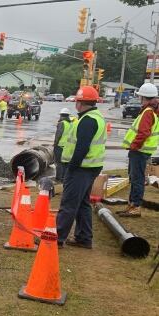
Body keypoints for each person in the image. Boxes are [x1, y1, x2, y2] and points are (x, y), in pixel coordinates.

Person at [56, 86, 107, 249]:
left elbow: (82, 147)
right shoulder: (95, 117)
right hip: (91, 167)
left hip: (81, 168)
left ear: (80, 103)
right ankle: (84, 238)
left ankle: (57, 237)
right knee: (83, 203)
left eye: (77, 101)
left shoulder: (87, 120)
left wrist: (72, 167)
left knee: (69, 203)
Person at [118, 83, 159, 218]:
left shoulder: (147, 113)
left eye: (140, 97)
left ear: (144, 98)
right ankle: (132, 205)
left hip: (139, 151)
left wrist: (134, 146)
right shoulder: (151, 111)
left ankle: (135, 206)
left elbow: (143, 133)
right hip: (141, 151)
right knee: (135, 178)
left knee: (137, 179)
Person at [53, 108, 74, 182]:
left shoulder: (62, 123)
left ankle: (59, 178)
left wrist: (55, 144)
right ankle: (65, 178)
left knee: (58, 163)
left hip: (60, 146)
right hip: (68, 147)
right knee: (66, 163)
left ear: (61, 115)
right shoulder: (71, 124)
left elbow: (58, 135)